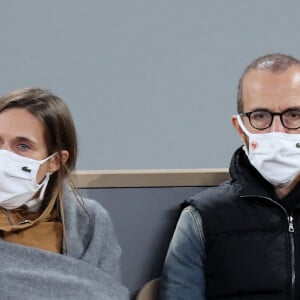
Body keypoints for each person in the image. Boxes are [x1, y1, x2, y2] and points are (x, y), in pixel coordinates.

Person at [159, 53, 300, 300]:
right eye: (260, 116)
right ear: (240, 128)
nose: (277, 131)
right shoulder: (202, 218)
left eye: (294, 115)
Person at [0, 87, 129, 299]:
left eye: (23, 146)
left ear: (55, 161)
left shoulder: (88, 221)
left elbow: (108, 293)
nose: (4, 156)